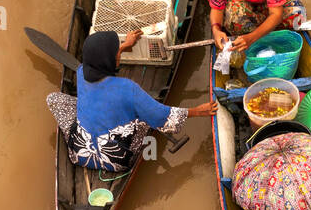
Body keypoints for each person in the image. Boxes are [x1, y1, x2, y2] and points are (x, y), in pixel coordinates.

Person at [47, 30, 216, 173]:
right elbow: (163, 119)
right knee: (145, 118)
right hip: (117, 161)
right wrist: (198, 111)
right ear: (110, 60)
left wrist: (124, 46)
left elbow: (105, 61)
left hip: (79, 153)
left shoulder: (81, 71)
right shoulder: (128, 88)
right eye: (116, 53)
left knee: (53, 98)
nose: (118, 53)